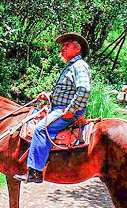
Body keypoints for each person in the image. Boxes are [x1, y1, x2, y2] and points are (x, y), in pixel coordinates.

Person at [14, 32, 91, 183]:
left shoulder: (79, 66)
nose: (62, 48)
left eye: (66, 45)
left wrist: (71, 110)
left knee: (41, 129)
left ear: (77, 49)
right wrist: (49, 96)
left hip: (67, 110)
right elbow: (68, 91)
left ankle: (35, 173)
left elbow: (84, 90)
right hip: (60, 107)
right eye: (62, 46)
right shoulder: (71, 66)